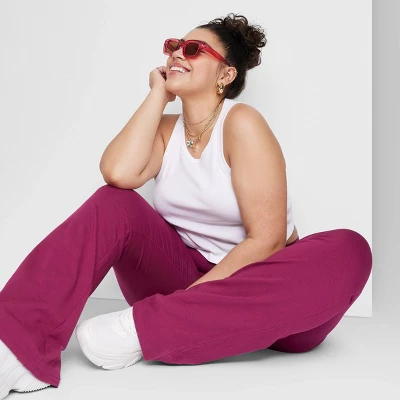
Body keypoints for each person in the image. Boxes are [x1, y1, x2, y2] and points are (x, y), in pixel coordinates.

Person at [0, 13, 372, 399]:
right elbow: (117, 173)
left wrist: (192, 304)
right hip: (183, 284)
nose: (178, 53)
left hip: (270, 298)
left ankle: (146, 330)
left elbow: (266, 241)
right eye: (173, 46)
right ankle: (13, 349)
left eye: (193, 49)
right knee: (113, 203)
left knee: (351, 249)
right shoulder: (165, 129)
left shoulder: (241, 123)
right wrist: (157, 95)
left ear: (225, 75)